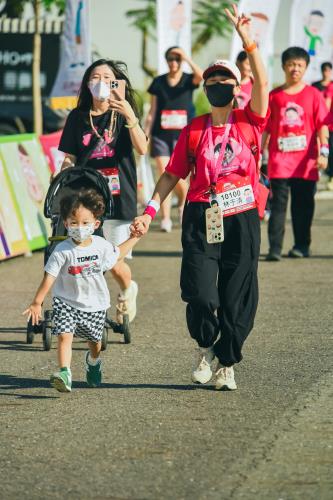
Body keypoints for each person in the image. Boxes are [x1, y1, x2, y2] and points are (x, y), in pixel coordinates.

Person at [131, 4, 269, 391]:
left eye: (225, 79)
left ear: (235, 87)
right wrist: (150, 209)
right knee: (199, 290)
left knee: (237, 294)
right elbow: (172, 174)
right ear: (205, 89)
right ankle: (205, 345)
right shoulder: (194, 129)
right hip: (201, 214)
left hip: (241, 215)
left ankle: (226, 362)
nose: (218, 85)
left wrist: (249, 44)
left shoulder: (250, 120)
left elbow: (263, 84)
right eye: (212, 81)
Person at [23, 189, 140, 393]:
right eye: (74, 223)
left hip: (94, 304)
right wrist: (37, 302)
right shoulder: (61, 251)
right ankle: (64, 373)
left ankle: (93, 362)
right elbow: (49, 277)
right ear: (66, 224)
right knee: (64, 336)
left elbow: (118, 254)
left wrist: (135, 236)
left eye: (85, 223)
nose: (79, 228)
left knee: (94, 343)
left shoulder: (101, 246)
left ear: (96, 224)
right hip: (65, 301)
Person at [58, 59, 148, 324]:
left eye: (106, 78)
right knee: (89, 255)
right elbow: (70, 156)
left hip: (120, 198)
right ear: (87, 84)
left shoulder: (123, 114)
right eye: (94, 77)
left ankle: (127, 289)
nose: (100, 82)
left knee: (111, 260)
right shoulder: (77, 116)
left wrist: (130, 115)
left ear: (115, 83)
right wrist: (61, 172)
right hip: (85, 200)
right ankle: (86, 309)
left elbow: (142, 149)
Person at [263, 47, 328, 261]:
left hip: (306, 163)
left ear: (306, 67)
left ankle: (302, 245)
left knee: (303, 207)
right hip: (279, 162)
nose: (295, 69)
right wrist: (257, 155)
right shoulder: (274, 96)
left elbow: (322, 126)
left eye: (299, 65)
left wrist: (324, 152)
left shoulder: (314, 95)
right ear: (283, 67)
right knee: (278, 207)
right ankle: (274, 248)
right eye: (291, 64)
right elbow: (266, 128)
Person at [144, 46, 203, 232]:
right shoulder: (158, 82)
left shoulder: (187, 79)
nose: (174, 62)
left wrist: (187, 57)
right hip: (161, 134)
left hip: (183, 135)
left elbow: (201, 77)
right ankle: (166, 218)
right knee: (164, 172)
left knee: (177, 174)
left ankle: (183, 201)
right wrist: (146, 133)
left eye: (178, 59)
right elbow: (152, 111)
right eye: (171, 58)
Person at [312, 62, 333, 189]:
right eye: (324, 70)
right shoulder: (315, 86)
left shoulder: (331, 86)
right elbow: (326, 104)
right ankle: (317, 171)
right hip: (319, 123)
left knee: (330, 150)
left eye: (328, 70)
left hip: (329, 124)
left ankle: (330, 175)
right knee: (317, 148)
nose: (326, 72)